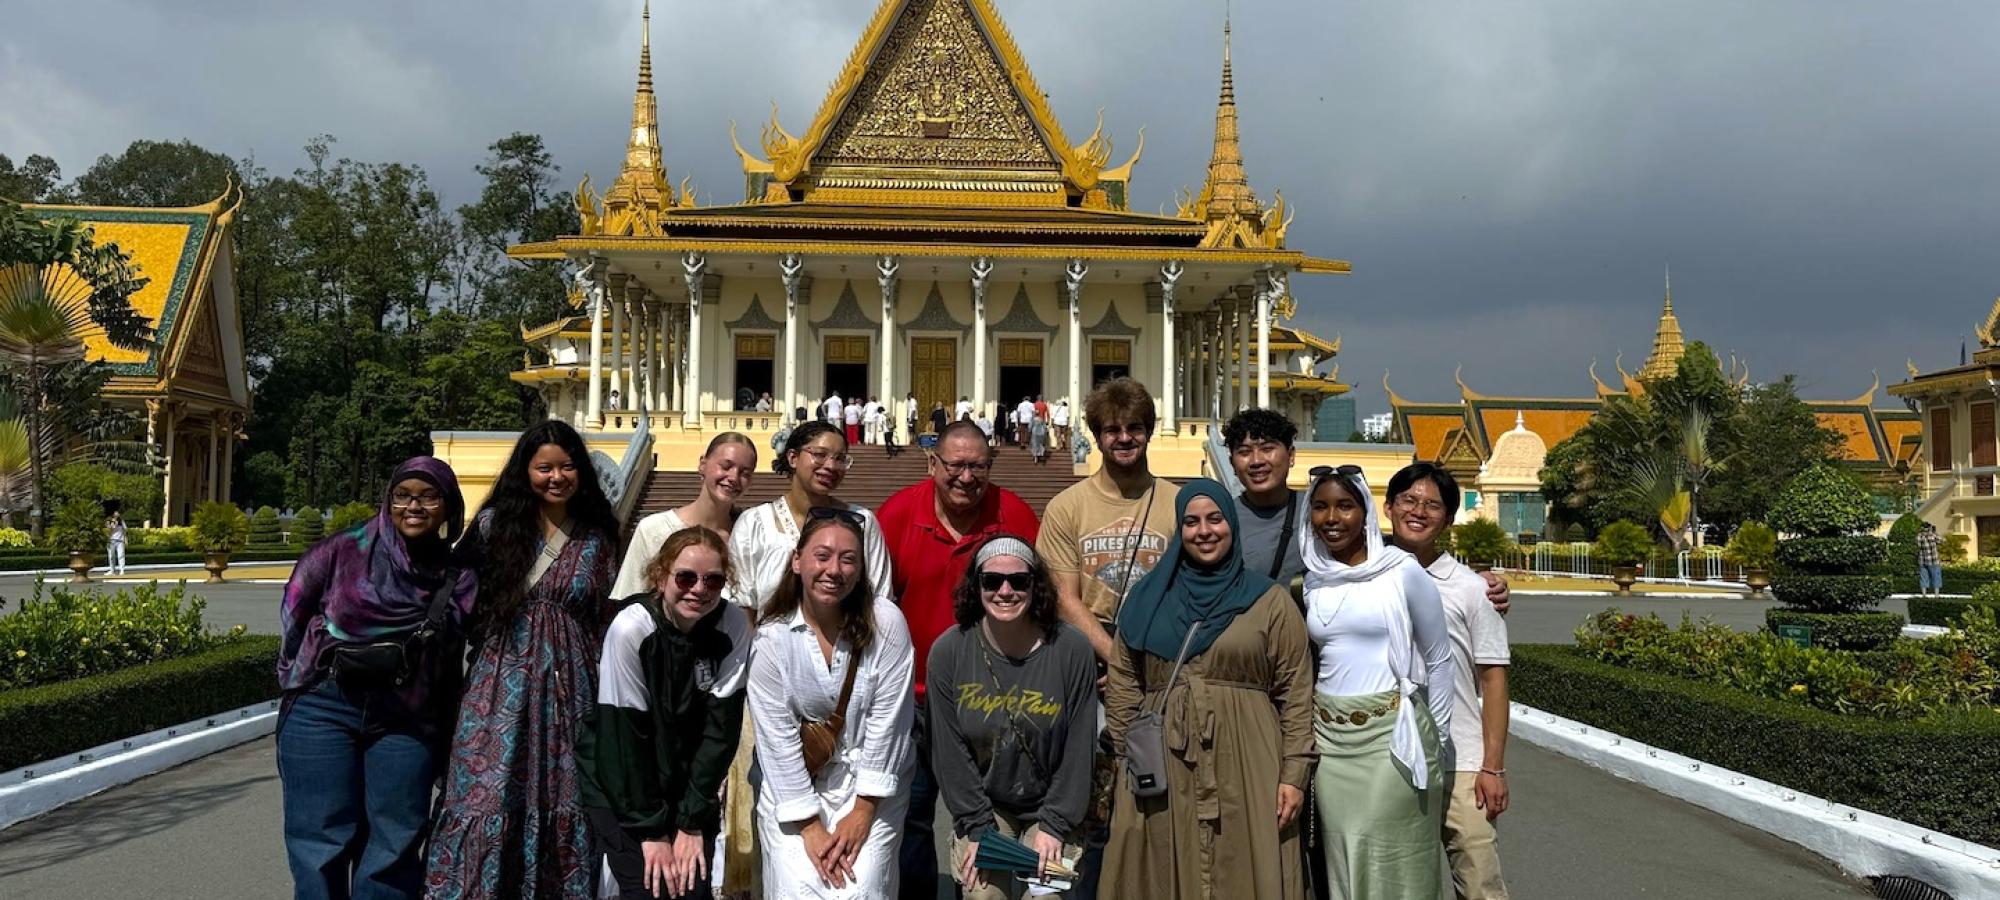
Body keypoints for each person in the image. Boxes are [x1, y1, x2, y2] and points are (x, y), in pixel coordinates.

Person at [427, 421, 622, 899]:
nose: (557, 477)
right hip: (498, 686)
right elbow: (457, 599)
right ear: (525, 471)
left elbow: (605, 618)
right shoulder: (494, 527)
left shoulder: (598, 537)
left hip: (571, 691)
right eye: (544, 468)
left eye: (567, 466)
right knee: (486, 790)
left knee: (566, 793)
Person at [1101, 479, 1313, 900]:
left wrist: (1294, 774)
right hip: (1164, 761)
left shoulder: (1269, 601)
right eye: (1191, 522)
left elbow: (1295, 691)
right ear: (1179, 530)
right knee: (1163, 864)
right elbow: (1124, 680)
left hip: (1250, 758)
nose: (1204, 531)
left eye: (1215, 519)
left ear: (1231, 523)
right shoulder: (1148, 600)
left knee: (1244, 864)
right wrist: (1129, 758)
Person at [277, 457, 479, 900]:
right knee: (321, 838)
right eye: (403, 495)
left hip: (407, 717)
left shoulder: (458, 576)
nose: (414, 506)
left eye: (428, 497)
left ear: (449, 506)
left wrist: (446, 729)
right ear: (388, 501)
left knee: (395, 840)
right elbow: (293, 613)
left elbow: (449, 659)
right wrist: (302, 674)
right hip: (325, 705)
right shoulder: (340, 551)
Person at [879, 421, 1042, 898]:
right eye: (955, 465)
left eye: (978, 467)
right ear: (933, 463)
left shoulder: (1013, 514)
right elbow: (874, 605)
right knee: (912, 814)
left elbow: (1041, 600)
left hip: (991, 698)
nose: (966, 478)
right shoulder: (898, 514)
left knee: (988, 814)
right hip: (913, 697)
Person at [1301, 465, 1455, 899]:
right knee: (1344, 858)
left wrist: (1436, 740)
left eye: (1345, 506)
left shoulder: (1402, 572)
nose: (1332, 518)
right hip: (1331, 744)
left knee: (1392, 864)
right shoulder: (1313, 580)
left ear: (1366, 512)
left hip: (1393, 740)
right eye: (1321, 507)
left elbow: (1440, 661)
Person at [748, 512, 917, 897]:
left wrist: (863, 811)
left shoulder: (886, 622)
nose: (834, 570)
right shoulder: (772, 637)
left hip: (871, 783)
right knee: (796, 886)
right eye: (822, 556)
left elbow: (889, 723)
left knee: (862, 886)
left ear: (861, 569)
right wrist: (810, 827)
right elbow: (777, 738)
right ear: (797, 561)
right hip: (795, 782)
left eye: (848, 559)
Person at [580, 526, 752, 900]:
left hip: (688, 786)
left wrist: (690, 822)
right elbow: (625, 738)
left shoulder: (732, 625)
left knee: (691, 890)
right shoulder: (632, 628)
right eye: (686, 577)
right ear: (661, 576)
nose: (699, 589)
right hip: (623, 786)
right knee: (651, 889)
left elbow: (720, 732)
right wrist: (651, 831)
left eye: (713, 580)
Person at [930, 536, 1098, 900]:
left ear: (1035, 586)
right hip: (987, 805)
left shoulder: (1071, 649)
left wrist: (1054, 824)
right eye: (992, 581)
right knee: (983, 893)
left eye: (1019, 581)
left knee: (1046, 895)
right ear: (976, 586)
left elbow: (1079, 749)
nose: (1005, 591)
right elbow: (949, 755)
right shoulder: (949, 652)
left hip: (1052, 804)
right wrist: (977, 827)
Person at [1223, 408, 1513, 611]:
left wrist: (1475, 584)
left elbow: (1386, 553)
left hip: (1312, 655)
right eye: (1244, 452)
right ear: (1232, 463)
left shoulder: (1320, 511)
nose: (1256, 461)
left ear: (1291, 455)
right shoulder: (1219, 521)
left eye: (1267, 448)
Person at [1385, 464, 1511, 900]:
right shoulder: (1367, 578)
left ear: (1449, 519)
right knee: (1400, 883)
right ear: (1388, 507)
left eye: (1432, 505)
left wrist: (1493, 766)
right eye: (1408, 500)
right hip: (1390, 756)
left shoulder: (1473, 589)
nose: (1418, 511)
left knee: (1479, 881)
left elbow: (1493, 680)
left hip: (1461, 761)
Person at [1040, 378, 1179, 666]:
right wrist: (1119, 662)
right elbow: (1064, 599)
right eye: (1112, 430)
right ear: (1096, 436)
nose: (1124, 438)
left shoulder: (1179, 504)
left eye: (1135, 428)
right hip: (1090, 657)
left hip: (1162, 656)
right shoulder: (1066, 508)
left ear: (1149, 432)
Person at [729, 421, 895, 612]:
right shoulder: (754, 523)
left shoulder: (862, 522)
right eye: (819, 455)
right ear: (793, 458)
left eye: (840, 459)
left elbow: (880, 601)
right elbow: (740, 605)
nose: (831, 466)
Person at [614, 432, 757, 599]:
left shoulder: (750, 537)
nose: (734, 478)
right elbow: (628, 598)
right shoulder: (654, 529)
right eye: (726, 466)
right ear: (702, 464)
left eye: (745, 473)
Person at [1917, 522, 1943, 597]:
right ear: (1929, 527)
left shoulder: (1919, 536)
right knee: (1936, 577)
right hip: (1934, 560)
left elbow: (1918, 545)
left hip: (1922, 560)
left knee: (1923, 578)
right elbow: (1942, 540)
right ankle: (1936, 595)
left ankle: (1924, 595)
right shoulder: (1933, 535)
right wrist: (1934, 531)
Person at [105, 507, 127, 575]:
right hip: (111, 541)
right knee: (111, 556)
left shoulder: (121, 521)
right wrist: (113, 525)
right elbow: (108, 531)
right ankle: (112, 570)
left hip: (120, 540)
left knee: (121, 555)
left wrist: (125, 539)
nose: (117, 514)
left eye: (118, 513)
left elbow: (124, 530)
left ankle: (122, 570)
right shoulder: (109, 521)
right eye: (116, 512)